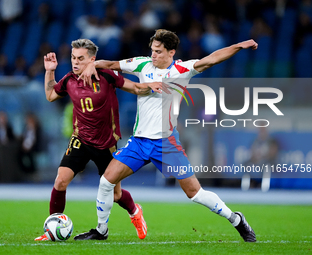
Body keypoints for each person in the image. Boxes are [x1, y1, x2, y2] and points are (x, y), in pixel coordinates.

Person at [75, 29, 258, 242]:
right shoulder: (142, 64)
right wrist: (91, 65)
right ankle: (101, 231)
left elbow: (211, 59)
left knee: (195, 194)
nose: (153, 55)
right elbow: (111, 64)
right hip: (139, 142)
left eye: (159, 52)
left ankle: (236, 219)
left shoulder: (182, 69)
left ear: (171, 52)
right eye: (152, 50)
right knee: (106, 181)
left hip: (166, 143)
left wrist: (238, 46)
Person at [35, 38, 162, 241]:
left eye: (80, 58)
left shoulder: (106, 76)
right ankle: (52, 228)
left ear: (92, 59)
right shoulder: (69, 80)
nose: (75, 62)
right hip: (80, 139)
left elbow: (135, 88)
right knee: (60, 181)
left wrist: (151, 86)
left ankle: (135, 211)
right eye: (73, 58)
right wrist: (50, 70)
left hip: (106, 144)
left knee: (115, 194)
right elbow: (50, 95)